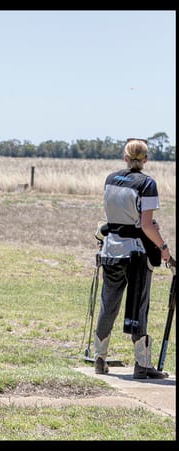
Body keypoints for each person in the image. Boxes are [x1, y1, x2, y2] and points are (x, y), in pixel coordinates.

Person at [93, 138, 170, 379]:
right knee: (139, 306)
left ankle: (99, 357)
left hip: (111, 250)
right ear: (145, 160)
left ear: (125, 158)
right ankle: (142, 364)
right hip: (136, 253)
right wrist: (163, 247)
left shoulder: (110, 179)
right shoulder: (147, 183)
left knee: (108, 304)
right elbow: (146, 225)